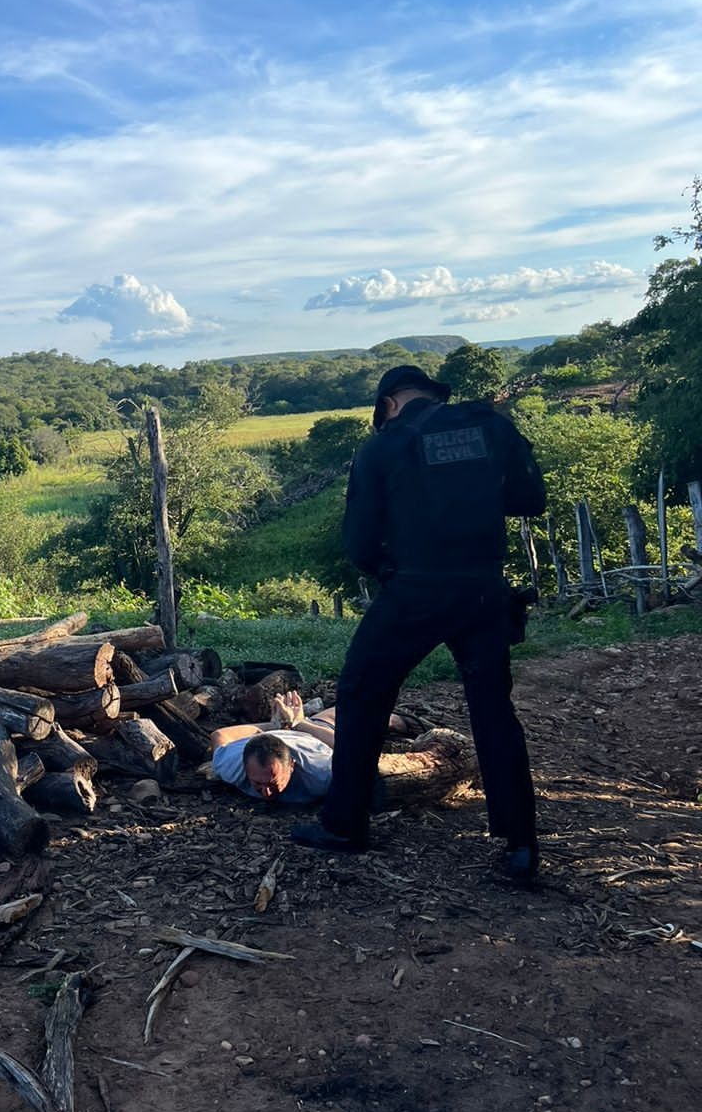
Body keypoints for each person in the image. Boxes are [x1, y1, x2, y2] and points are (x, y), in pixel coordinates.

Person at [290, 363, 547, 883]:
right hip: (484, 588)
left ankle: (345, 825)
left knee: (362, 695)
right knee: (494, 711)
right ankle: (521, 848)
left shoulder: (382, 446)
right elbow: (530, 499)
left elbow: (360, 544)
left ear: (388, 404)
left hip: (416, 589)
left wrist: (390, 570)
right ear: (433, 394)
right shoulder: (490, 425)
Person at [209, 692, 414, 803]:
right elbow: (220, 735)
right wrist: (270, 727)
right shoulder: (232, 767)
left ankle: (412, 719)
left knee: (378, 718)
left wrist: (300, 723)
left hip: (314, 733)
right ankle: (286, 721)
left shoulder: (321, 772)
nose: (267, 793)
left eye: (273, 784)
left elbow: (350, 750)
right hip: (270, 735)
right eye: (258, 784)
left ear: (292, 767)